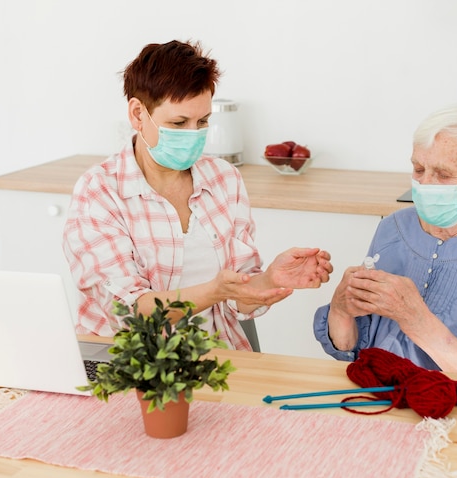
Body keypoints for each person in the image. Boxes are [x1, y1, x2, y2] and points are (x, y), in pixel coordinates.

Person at [63, 40, 332, 350]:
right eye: (178, 123)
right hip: (130, 365)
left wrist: (270, 279)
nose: (193, 135)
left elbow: (238, 296)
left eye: (202, 122)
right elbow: (129, 312)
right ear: (138, 114)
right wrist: (213, 292)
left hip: (215, 362)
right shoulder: (99, 192)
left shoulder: (223, 178)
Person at [314, 103, 457, 379]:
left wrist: (417, 321)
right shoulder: (392, 228)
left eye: (444, 174)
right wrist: (341, 310)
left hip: (456, 408)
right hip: (373, 395)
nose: (425, 184)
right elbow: (351, 351)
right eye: (419, 169)